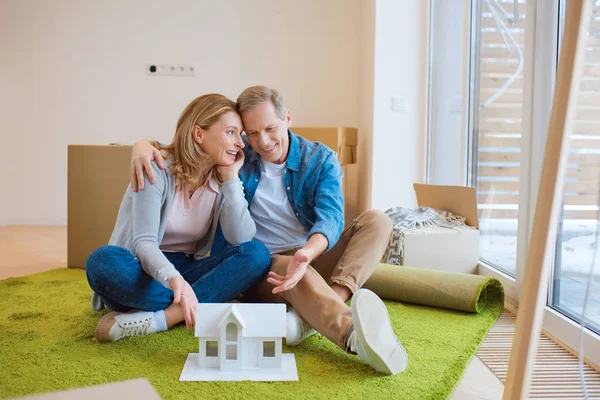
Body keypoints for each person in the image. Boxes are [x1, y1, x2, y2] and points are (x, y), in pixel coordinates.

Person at [130, 86, 407, 375]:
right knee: (290, 268)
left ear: (287, 118)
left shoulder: (319, 159)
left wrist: (307, 253)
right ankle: (352, 334)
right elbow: (191, 145)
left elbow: (332, 218)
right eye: (251, 133)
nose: (262, 141)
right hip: (265, 264)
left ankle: (316, 312)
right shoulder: (237, 157)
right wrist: (142, 144)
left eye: (270, 128)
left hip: (310, 253)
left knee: (378, 221)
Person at [86, 93, 271, 343]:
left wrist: (230, 179)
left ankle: (162, 318)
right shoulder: (156, 167)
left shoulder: (221, 179)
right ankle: (201, 301)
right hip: (141, 268)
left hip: (185, 270)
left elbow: (241, 238)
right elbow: (144, 243)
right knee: (102, 262)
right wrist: (175, 282)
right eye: (231, 132)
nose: (240, 143)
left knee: (257, 255)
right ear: (199, 134)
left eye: (240, 135)